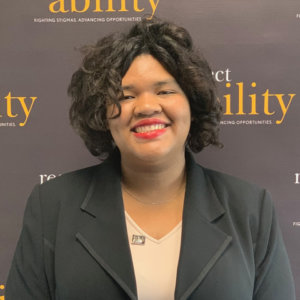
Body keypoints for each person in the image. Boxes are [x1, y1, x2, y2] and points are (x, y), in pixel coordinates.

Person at [5, 17, 295, 300]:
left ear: (192, 105)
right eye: (126, 95)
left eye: (165, 91)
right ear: (102, 114)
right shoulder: (52, 207)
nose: (146, 107)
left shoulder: (250, 209)